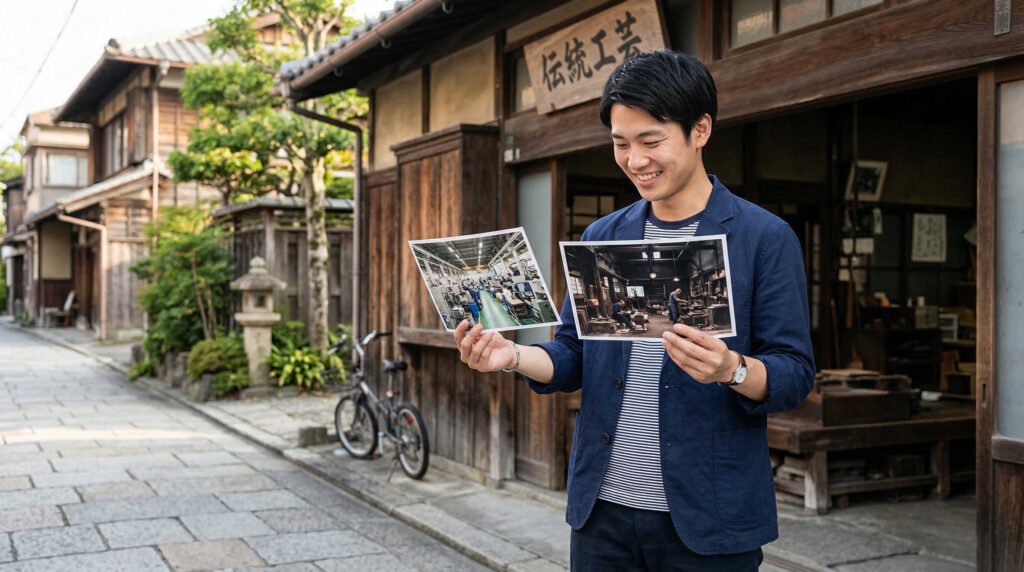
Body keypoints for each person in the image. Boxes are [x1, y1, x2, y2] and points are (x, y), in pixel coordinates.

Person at [454, 50, 814, 571]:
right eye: (620, 144)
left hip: (709, 517)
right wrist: (510, 356)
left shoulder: (762, 237)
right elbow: (573, 353)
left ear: (700, 130)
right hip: (603, 511)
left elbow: (794, 372)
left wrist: (731, 369)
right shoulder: (605, 236)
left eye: (651, 141)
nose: (635, 160)